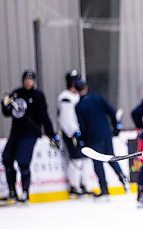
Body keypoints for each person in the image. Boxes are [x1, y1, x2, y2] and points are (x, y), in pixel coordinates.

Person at [0, 69, 60, 203]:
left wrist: (51, 134)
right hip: (15, 133)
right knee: (7, 159)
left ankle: (25, 192)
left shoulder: (38, 95)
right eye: (26, 79)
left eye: (30, 79)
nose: (28, 82)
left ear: (34, 81)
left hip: (30, 133)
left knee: (23, 162)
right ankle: (12, 191)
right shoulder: (17, 93)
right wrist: (5, 105)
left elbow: (44, 116)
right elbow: (7, 112)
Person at [75, 82, 129, 198]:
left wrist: (82, 139)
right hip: (105, 133)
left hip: (93, 137)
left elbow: (82, 125)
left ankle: (104, 188)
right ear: (86, 87)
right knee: (111, 157)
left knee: (98, 161)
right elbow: (111, 111)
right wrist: (116, 127)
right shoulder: (97, 98)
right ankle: (122, 177)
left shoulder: (79, 106)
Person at [57, 69, 94, 196]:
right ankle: (74, 185)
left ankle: (85, 184)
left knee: (86, 159)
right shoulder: (65, 97)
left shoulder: (78, 96)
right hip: (72, 134)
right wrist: (74, 133)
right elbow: (66, 118)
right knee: (76, 159)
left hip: (82, 132)